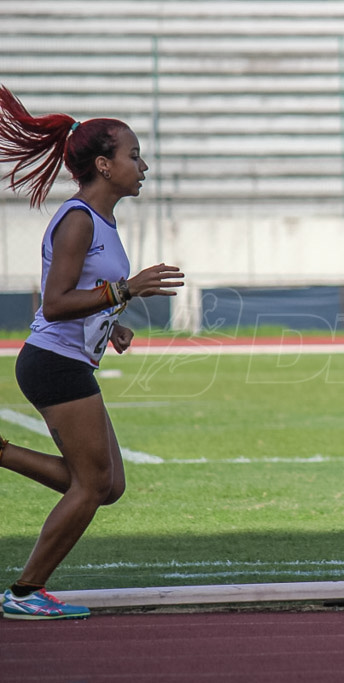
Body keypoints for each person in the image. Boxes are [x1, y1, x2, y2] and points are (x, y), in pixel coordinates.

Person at [0, 87, 185, 620]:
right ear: (104, 165)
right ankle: (25, 591)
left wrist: (111, 325)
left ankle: (4, 453)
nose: (143, 165)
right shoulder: (79, 218)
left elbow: (78, 298)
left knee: (109, 485)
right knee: (94, 485)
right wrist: (126, 291)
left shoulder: (101, 220)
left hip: (65, 361)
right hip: (52, 363)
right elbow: (55, 303)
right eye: (134, 155)